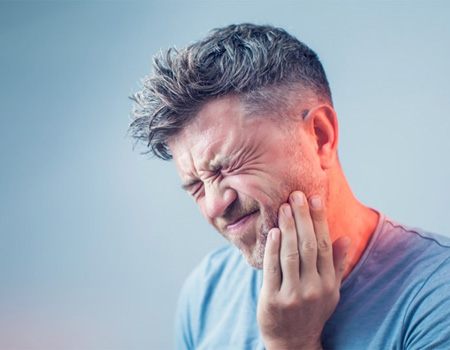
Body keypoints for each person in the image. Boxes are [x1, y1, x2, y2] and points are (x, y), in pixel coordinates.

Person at [129, 23, 450, 349]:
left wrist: (292, 343)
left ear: (321, 137)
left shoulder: (438, 297)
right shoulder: (205, 295)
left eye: (228, 166)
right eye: (196, 185)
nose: (214, 205)